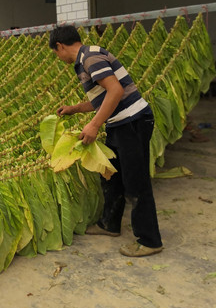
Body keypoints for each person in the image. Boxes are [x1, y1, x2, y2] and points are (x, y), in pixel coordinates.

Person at [49, 25, 163, 257]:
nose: (58, 57)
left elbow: (116, 91)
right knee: (112, 175)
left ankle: (150, 240)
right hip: (119, 124)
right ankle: (109, 224)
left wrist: (94, 125)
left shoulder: (90, 58)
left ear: (60, 46)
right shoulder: (84, 60)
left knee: (135, 182)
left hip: (132, 122)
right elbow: (102, 99)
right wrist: (75, 109)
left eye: (55, 53)